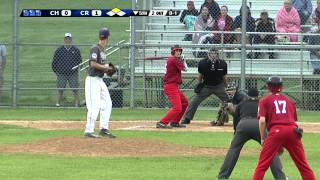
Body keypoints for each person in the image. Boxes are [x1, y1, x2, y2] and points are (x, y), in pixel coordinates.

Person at [252, 76, 316, 180]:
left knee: (262, 165)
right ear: (281, 87)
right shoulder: (290, 101)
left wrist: (263, 137)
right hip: (293, 131)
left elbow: (262, 121)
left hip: (276, 131)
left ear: (268, 87)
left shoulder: (264, 100)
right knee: (303, 165)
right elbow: (293, 121)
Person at [217, 88, 287, 180]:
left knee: (233, 150)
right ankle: (281, 177)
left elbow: (236, 120)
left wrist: (235, 134)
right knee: (270, 151)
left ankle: (222, 177)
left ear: (247, 95)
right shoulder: (263, 103)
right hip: (258, 126)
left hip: (243, 125)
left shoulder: (242, 103)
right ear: (258, 96)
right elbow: (268, 120)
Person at [181, 48, 228, 125]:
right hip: (206, 86)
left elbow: (224, 77)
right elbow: (200, 76)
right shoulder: (202, 63)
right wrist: (199, 84)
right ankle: (187, 118)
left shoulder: (223, 63)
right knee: (194, 101)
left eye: (215, 53)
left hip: (219, 86)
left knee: (230, 101)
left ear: (218, 54)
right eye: (211, 53)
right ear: (208, 54)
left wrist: (226, 87)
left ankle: (239, 118)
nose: (213, 55)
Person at [84, 27, 116, 138]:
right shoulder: (95, 48)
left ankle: (104, 128)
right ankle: (89, 130)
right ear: (107, 37)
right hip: (92, 79)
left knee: (108, 103)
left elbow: (100, 66)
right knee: (94, 106)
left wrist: (106, 69)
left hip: (99, 80)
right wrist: (105, 67)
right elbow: (93, 64)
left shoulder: (102, 50)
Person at [156, 45, 188, 129]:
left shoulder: (174, 59)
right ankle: (162, 122)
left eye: (179, 51)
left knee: (184, 103)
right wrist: (183, 60)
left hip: (174, 86)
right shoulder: (173, 60)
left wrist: (181, 59)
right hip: (171, 86)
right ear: (172, 52)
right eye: (176, 51)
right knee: (177, 108)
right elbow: (185, 69)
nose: (178, 52)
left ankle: (175, 122)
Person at [52, 33, 82, 107]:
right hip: (62, 73)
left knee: (75, 89)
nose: (67, 40)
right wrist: (56, 72)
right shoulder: (59, 50)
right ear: (64, 39)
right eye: (66, 39)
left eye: (69, 39)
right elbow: (54, 62)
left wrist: (78, 70)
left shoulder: (76, 50)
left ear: (71, 40)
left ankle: (77, 103)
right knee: (60, 89)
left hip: (73, 73)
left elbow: (80, 62)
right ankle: (58, 103)